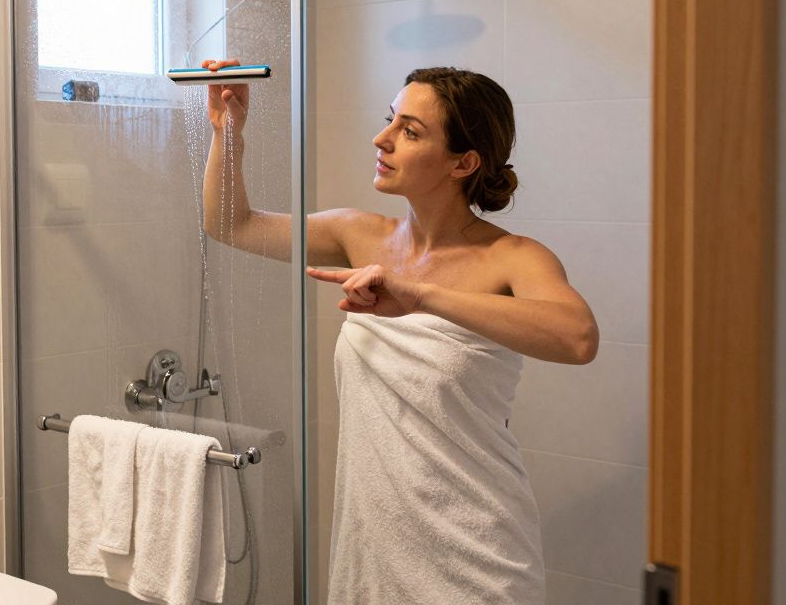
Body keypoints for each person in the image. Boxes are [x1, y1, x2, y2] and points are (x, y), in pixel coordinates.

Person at [199, 58, 599, 603]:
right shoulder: (356, 234)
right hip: (376, 539)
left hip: (477, 543)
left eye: (409, 131)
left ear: (463, 163)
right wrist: (229, 132)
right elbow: (231, 224)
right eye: (391, 119)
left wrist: (420, 295)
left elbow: (577, 338)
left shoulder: (514, 259)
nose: (381, 139)